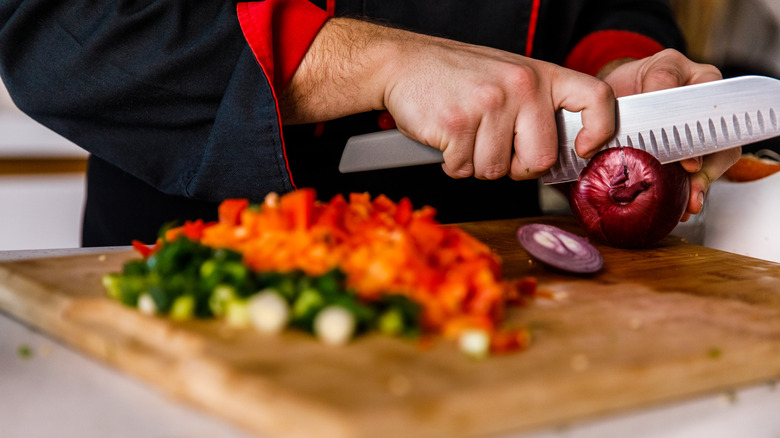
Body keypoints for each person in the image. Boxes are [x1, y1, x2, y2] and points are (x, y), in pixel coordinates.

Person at [0, 1, 738, 246]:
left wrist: (620, 73)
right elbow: (56, 22)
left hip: (492, 271)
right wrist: (375, 62)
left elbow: (610, 7)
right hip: (202, 255)